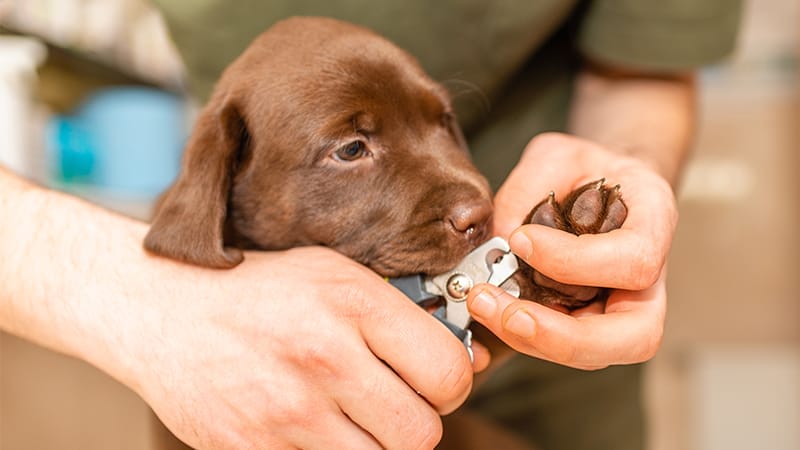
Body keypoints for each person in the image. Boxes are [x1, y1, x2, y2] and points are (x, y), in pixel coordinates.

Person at [0, 1, 741, 449]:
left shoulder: (467, 222)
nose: (467, 198)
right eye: (353, 148)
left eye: (442, 123)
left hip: (555, 382)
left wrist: (605, 199)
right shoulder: (209, 335)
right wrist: (146, 302)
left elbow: (640, 65)